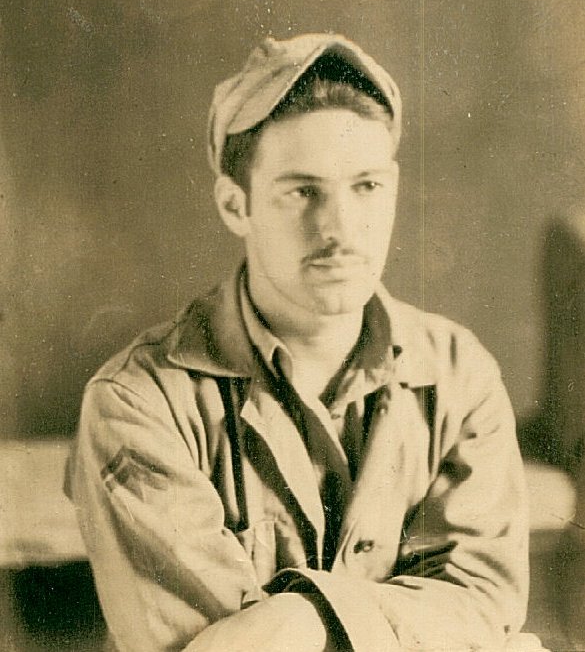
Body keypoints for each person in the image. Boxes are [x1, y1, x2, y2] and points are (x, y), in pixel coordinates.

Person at [66, 33, 545, 651]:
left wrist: (303, 617)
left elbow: (482, 602)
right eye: (301, 192)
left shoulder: (458, 373)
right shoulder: (137, 400)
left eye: (366, 186)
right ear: (235, 205)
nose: (339, 228)